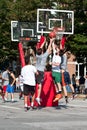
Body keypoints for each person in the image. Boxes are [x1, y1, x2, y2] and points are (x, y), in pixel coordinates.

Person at [35, 38, 52, 105]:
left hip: (35, 71)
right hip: (41, 71)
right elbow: (48, 49)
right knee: (40, 85)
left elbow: (40, 48)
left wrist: (43, 42)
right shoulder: (44, 56)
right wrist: (50, 42)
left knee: (34, 84)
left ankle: (31, 95)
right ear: (42, 51)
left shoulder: (37, 55)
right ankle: (38, 97)